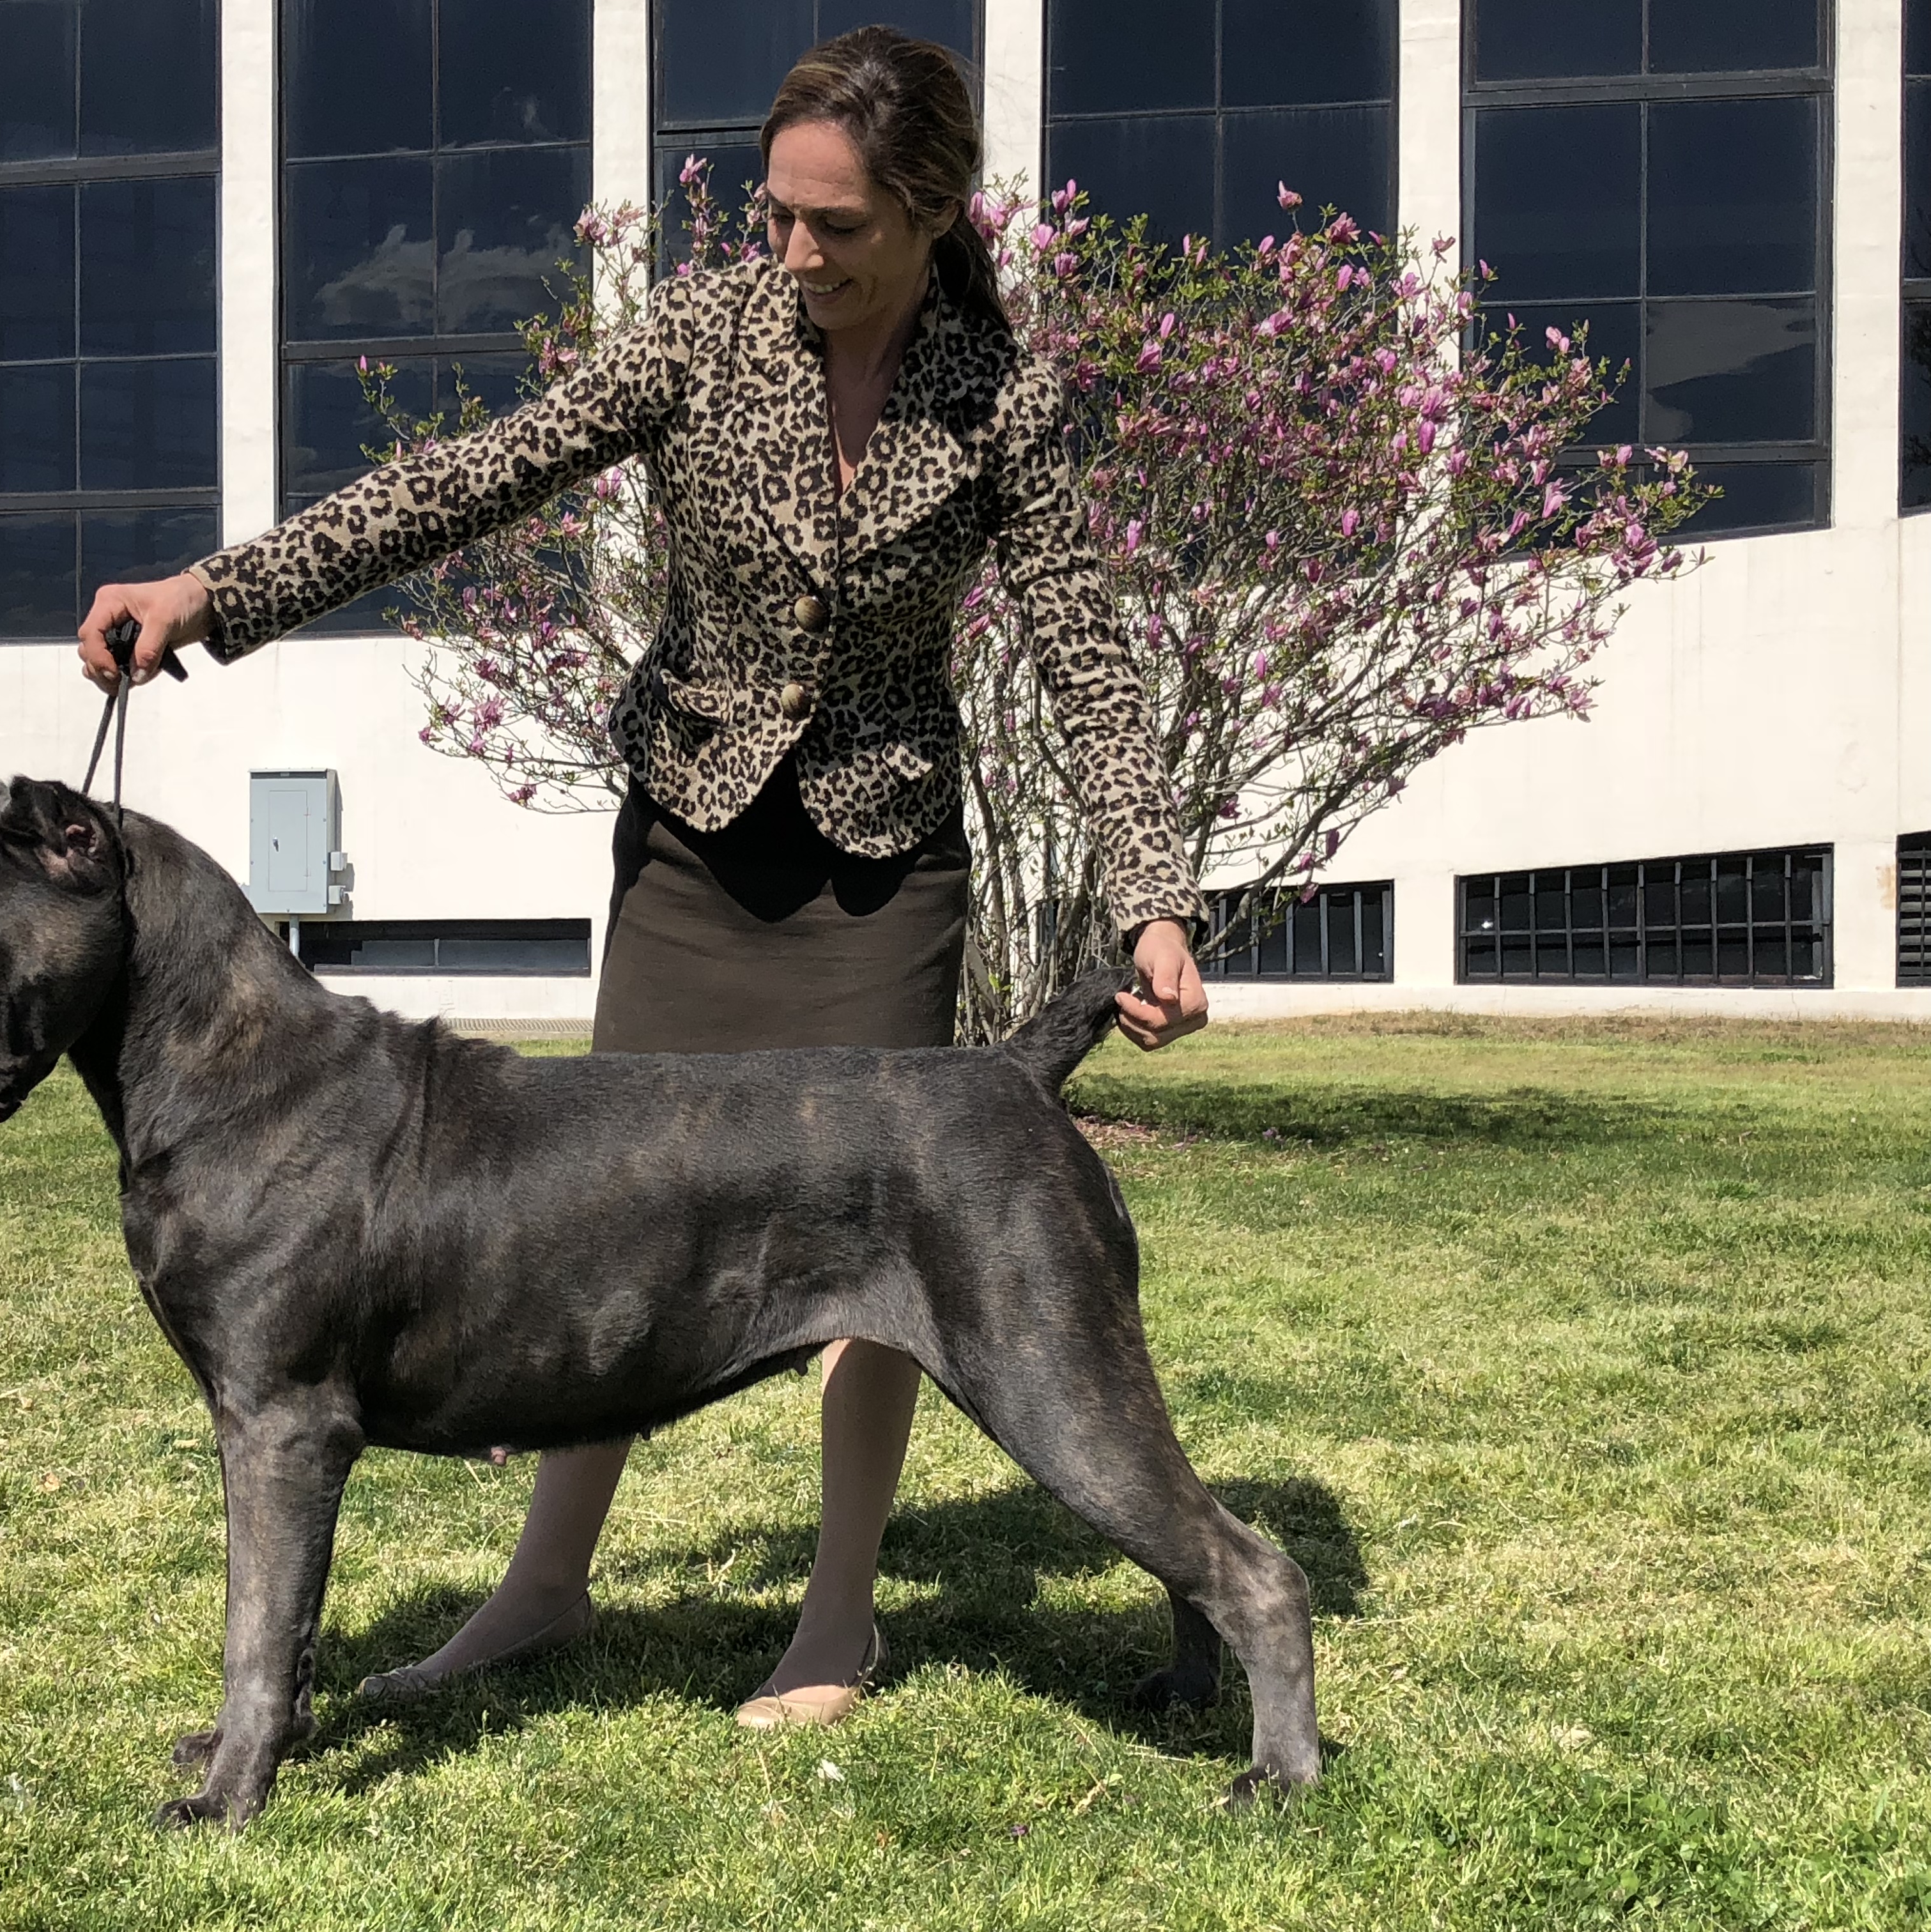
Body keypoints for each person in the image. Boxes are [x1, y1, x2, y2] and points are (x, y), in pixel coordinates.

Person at [75, 26, 1208, 1731]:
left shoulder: (1001, 396)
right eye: (777, 215)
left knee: (886, 1239)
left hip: (880, 869)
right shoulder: (704, 333)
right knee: (608, 1216)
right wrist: (212, 595)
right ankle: (545, 1586)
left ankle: (838, 1618)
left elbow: (1086, 656)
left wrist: (1154, 899)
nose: (798, 252)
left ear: (933, 213)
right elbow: (466, 482)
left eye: (838, 226)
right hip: (694, 845)